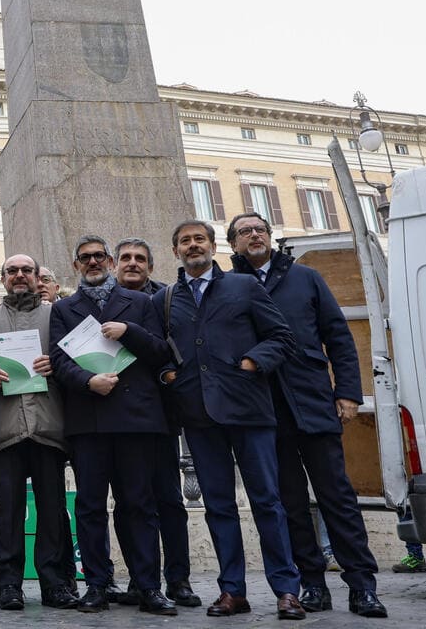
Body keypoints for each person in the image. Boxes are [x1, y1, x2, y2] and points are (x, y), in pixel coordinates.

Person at [228, 212, 387, 617]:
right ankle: (312, 583)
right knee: (290, 503)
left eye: (260, 229)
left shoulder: (306, 278)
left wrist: (348, 393)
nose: (254, 236)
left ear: (270, 236)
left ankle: (362, 585)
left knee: (338, 497)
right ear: (233, 244)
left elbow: (338, 335)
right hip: (264, 411)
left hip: (314, 401)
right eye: (245, 232)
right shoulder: (230, 287)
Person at [152, 219, 306, 620]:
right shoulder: (165, 299)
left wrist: (255, 361)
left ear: (213, 245)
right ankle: (232, 590)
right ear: (175, 252)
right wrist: (169, 375)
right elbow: (159, 353)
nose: (192, 246)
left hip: (249, 410)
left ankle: (287, 590)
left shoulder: (243, 286)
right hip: (199, 416)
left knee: (267, 502)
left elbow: (282, 337)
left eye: (198, 239)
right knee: (219, 506)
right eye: (184, 241)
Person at [49, 236, 176, 616]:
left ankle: (149, 587)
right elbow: (58, 358)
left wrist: (129, 332)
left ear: (109, 260)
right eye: (84, 258)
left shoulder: (141, 303)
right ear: (76, 265)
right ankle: (97, 585)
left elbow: (160, 351)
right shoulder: (63, 308)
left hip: (136, 419)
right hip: (88, 420)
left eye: (98, 256)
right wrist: (88, 382)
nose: (92, 262)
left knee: (138, 504)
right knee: (89, 507)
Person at [0, 254, 75, 611]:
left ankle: (54, 583)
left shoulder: (58, 315)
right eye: (11, 271)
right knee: (8, 510)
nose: (19, 276)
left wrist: (59, 364)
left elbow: (76, 361)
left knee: (52, 509)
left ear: (37, 276)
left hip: (49, 423)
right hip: (5, 426)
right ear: (2, 278)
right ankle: (9, 584)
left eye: (26, 270)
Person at [112, 237, 198, 608]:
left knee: (169, 500)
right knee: (129, 503)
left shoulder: (167, 299)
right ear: (116, 264)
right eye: (126, 258)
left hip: (161, 415)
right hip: (115, 415)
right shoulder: (104, 303)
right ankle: (139, 578)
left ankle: (178, 579)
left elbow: (175, 350)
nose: (133, 264)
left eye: (140, 259)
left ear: (151, 264)